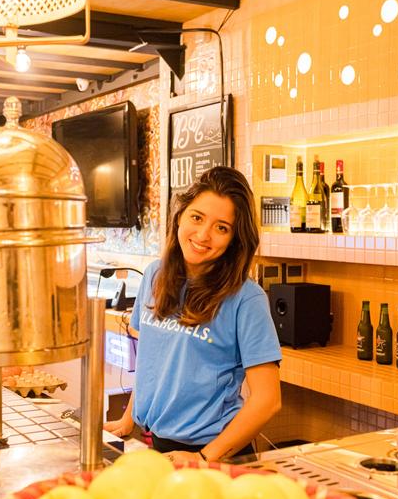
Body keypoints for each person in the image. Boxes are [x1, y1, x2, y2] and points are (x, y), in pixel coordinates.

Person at [105, 166, 282, 463]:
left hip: (214, 453)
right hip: (161, 446)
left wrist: (203, 457)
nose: (203, 235)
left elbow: (267, 400)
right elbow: (154, 363)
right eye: (197, 218)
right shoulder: (154, 275)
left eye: (221, 227)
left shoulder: (246, 299)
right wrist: (128, 420)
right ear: (180, 217)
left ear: (234, 239)